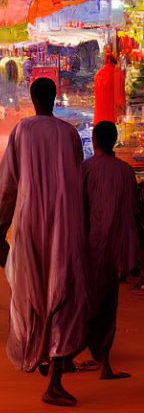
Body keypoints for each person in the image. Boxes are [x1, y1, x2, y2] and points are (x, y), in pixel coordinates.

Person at [0, 78, 88, 407]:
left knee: (31, 289)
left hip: (31, 222)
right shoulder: (70, 134)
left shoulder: (22, 132)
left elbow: (6, 184)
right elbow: (77, 179)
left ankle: (39, 354)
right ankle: (55, 377)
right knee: (62, 290)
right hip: (65, 222)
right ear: (56, 97)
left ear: (32, 99)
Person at [80, 121, 139, 380]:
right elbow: (133, 213)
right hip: (115, 248)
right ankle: (102, 362)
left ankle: (69, 356)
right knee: (107, 305)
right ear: (114, 140)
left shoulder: (85, 169)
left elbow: (78, 210)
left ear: (94, 141)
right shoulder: (126, 172)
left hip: (89, 246)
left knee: (85, 302)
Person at [94, 54, 125, 125]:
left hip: (99, 115)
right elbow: (119, 94)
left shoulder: (98, 74)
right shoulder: (116, 72)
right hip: (111, 113)